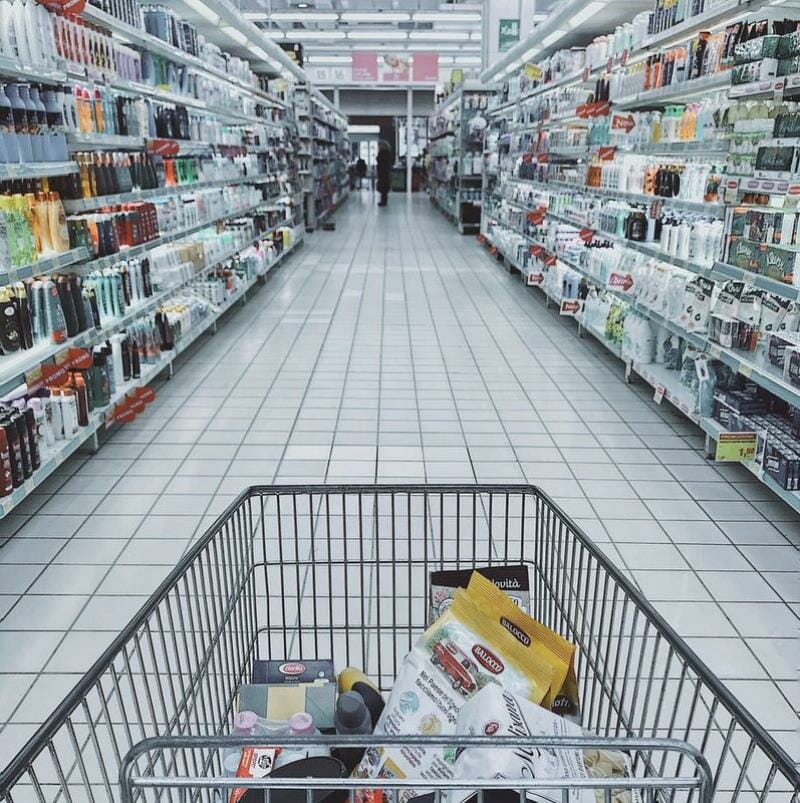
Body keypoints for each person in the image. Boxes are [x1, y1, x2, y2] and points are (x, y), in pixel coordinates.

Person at [376, 140, 392, 207]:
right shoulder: (387, 153)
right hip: (385, 172)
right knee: (384, 188)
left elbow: (380, 161)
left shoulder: (383, 153)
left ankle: (383, 201)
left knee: (383, 187)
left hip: (383, 172)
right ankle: (383, 201)